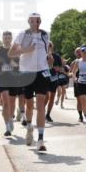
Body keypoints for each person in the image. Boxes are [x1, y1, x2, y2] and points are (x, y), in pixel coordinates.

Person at [10, 13, 53, 151]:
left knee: (40, 105)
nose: (36, 23)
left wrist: (49, 59)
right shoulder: (22, 34)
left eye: (38, 21)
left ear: (40, 22)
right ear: (28, 22)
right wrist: (25, 50)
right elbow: (11, 53)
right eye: (33, 21)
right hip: (26, 73)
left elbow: (46, 54)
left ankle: (41, 139)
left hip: (42, 72)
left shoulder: (45, 35)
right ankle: (29, 126)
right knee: (29, 105)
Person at [0, 31, 19, 136]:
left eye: (9, 37)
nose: (7, 39)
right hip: (1, 77)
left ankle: (11, 118)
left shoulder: (16, 48)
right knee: (5, 102)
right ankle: (7, 126)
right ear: (2, 38)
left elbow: (21, 62)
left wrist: (15, 64)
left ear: (11, 38)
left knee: (12, 103)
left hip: (13, 78)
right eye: (5, 37)